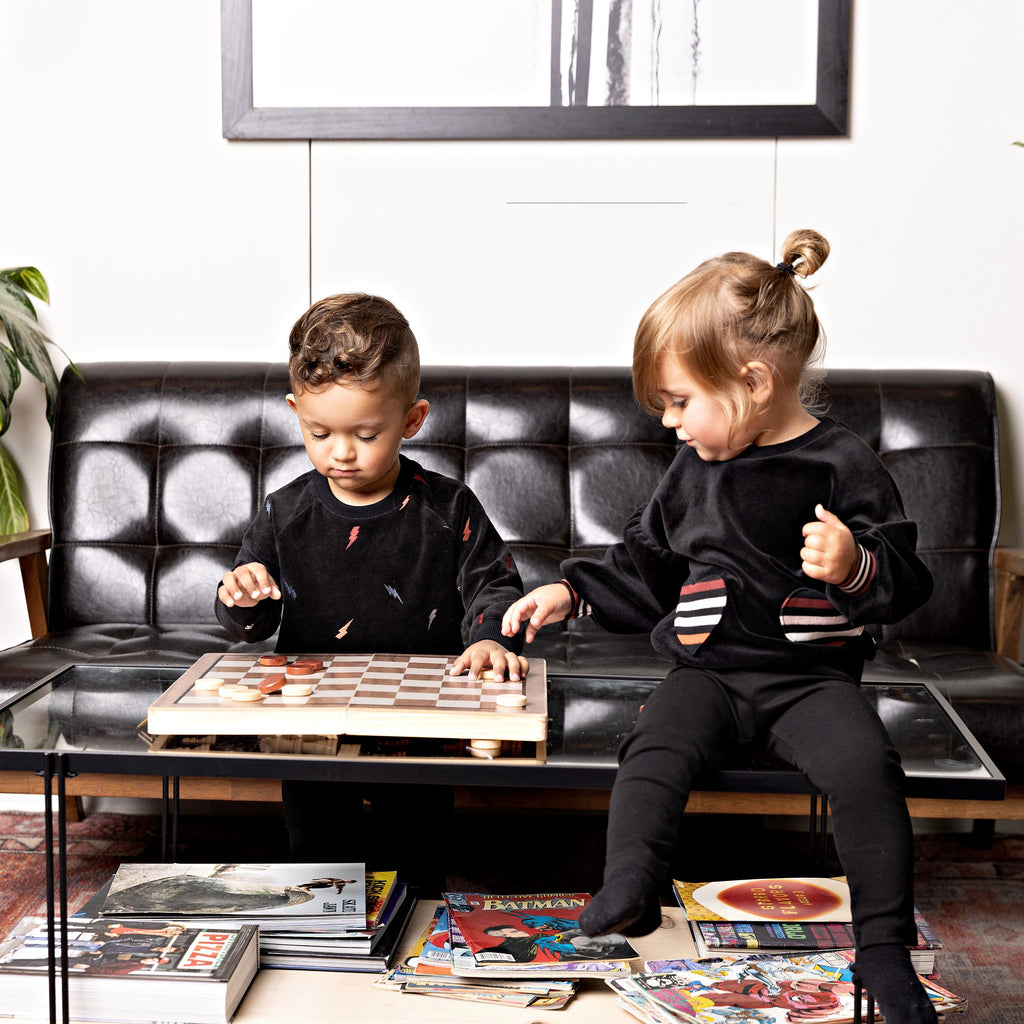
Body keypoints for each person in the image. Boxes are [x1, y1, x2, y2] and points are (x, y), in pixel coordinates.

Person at [502, 230, 938, 1024]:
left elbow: (907, 578)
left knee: (868, 768)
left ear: (755, 381)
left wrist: (851, 564)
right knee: (652, 747)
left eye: (678, 403)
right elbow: (646, 566)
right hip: (707, 675)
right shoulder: (690, 472)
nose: (671, 424)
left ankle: (883, 945)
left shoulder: (842, 464)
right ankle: (631, 887)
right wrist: (570, 592)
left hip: (809, 680)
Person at [216, 292, 527, 873]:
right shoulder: (284, 512)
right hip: (309, 726)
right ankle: (320, 946)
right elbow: (250, 624)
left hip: (421, 722)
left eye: (364, 434)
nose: (341, 454)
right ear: (295, 413)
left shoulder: (449, 506)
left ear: (411, 420)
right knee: (315, 853)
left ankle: (413, 946)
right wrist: (240, 593)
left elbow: (495, 584)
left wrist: (488, 639)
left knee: (416, 855)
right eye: (319, 433)